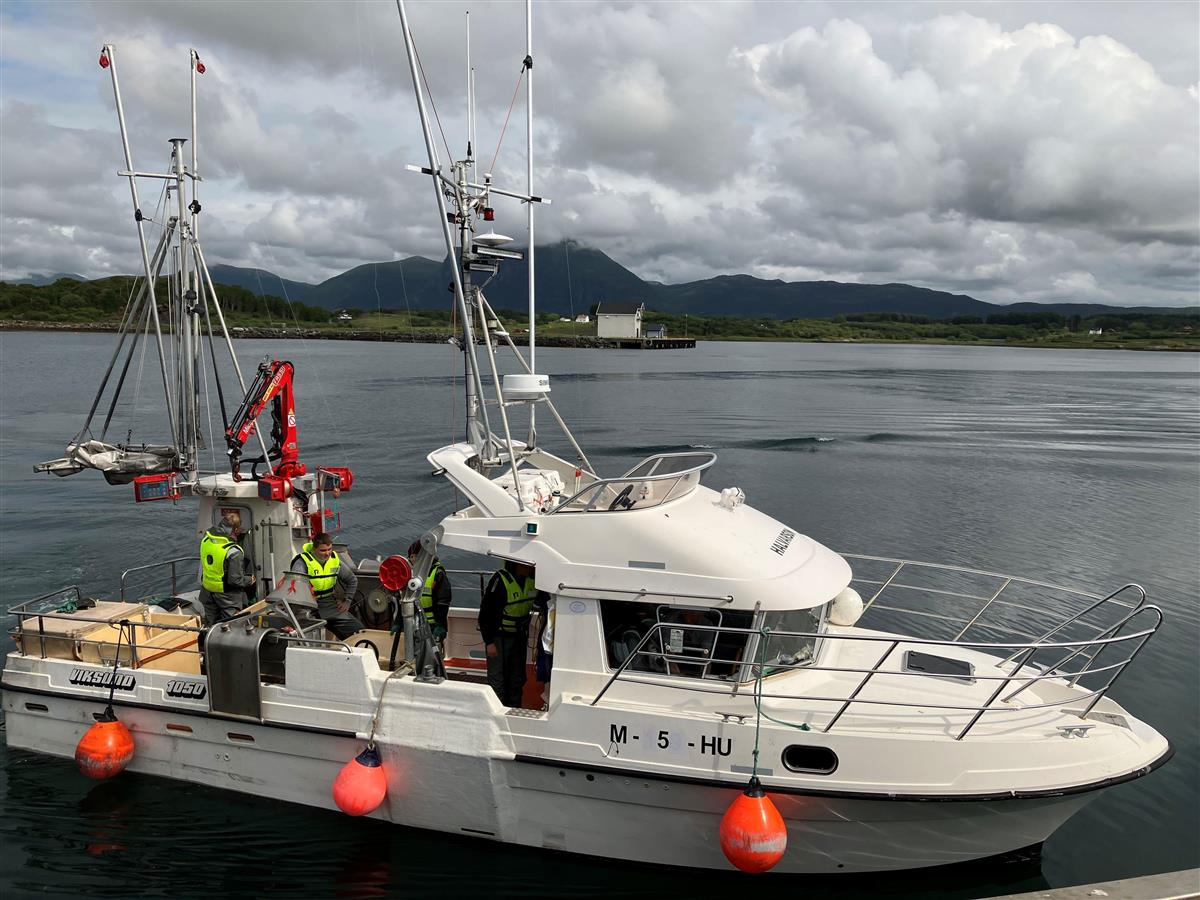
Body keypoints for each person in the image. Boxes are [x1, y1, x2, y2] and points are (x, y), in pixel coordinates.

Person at [478, 560, 544, 707]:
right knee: (497, 678)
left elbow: (542, 600)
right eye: (528, 564)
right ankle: (497, 709)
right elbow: (485, 614)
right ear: (518, 564)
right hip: (499, 637)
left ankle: (514, 708)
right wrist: (489, 642)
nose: (532, 567)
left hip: (519, 637)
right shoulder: (500, 581)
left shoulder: (532, 581)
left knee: (517, 677)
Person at [290, 532, 362, 640]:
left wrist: (347, 601)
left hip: (329, 604)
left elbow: (352, 580)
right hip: (306, 605)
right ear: (314, 549)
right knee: (302, 636)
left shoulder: (334, 561)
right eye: (323, 550)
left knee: (358, 631)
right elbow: (294, 588)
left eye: (329, 549)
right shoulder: (302, 563)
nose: (327, 553)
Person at [199, 512, 255, 626]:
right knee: (230, 626)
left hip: (207, 590)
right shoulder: (234, 551)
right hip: (226, 596)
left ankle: (209, 642)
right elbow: (235, 580)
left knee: (211, 625)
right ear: (235, 530)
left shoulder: (206, 540)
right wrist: (250, 580)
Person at [408, 540, 451, 643]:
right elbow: (405, 600)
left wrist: (440, 625)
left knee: (433, 655)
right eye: (411, 556)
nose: (412, 559)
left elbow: (443, 601)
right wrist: (399, 623)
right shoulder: (411, 575)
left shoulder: (438, 574)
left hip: (433, 625)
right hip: (414, 623)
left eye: (415, 556)